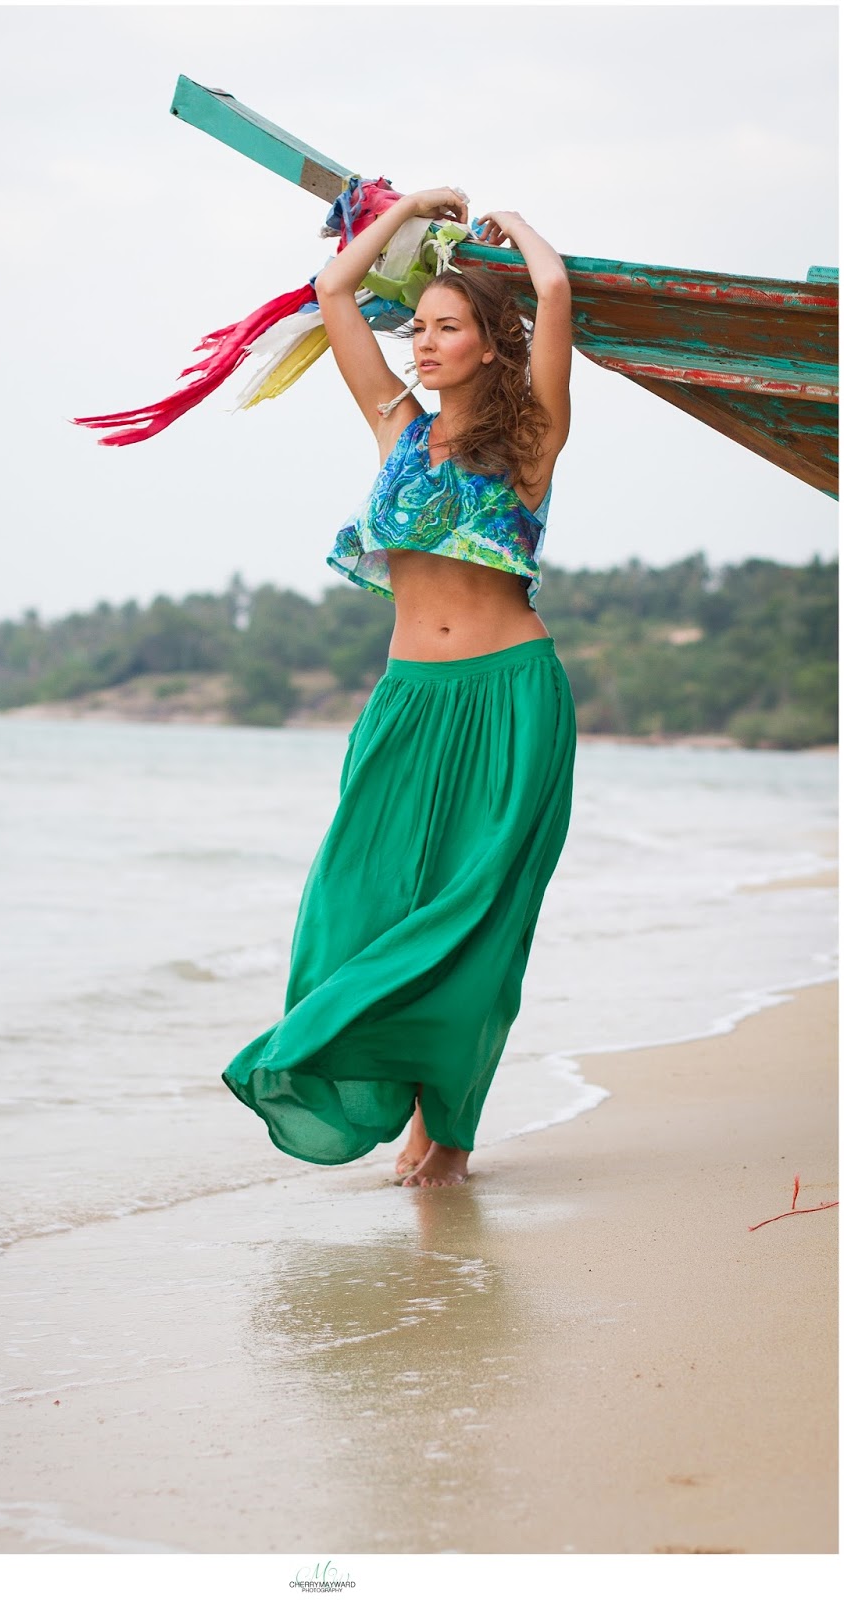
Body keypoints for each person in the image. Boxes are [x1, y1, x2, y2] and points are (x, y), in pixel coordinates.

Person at [222, 186, 576, 1188]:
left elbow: (551, 290)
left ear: (487, 345)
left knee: (474, 919)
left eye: (444, 327)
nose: (421, 344)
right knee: (355, 901)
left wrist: (511, 232)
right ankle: (370, 1081)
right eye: (415, 327)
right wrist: (408, 208)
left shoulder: (531, 440)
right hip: (406, 703)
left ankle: (447, 1128)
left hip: (509, 700)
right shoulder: (393, 427)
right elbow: (334, 288)